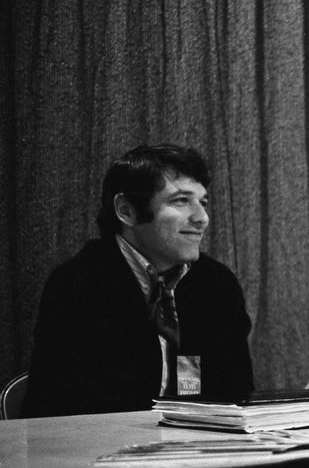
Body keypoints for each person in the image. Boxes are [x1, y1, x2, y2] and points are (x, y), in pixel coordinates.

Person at [26, 144, 255, 417]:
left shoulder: (215, 284)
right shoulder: (77, 285)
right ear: (127, 211)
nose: (201, 218)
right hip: (103, 451)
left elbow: (236, 394)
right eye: (181, 201)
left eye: (203, 203)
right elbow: (68, 408)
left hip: (199, 450)